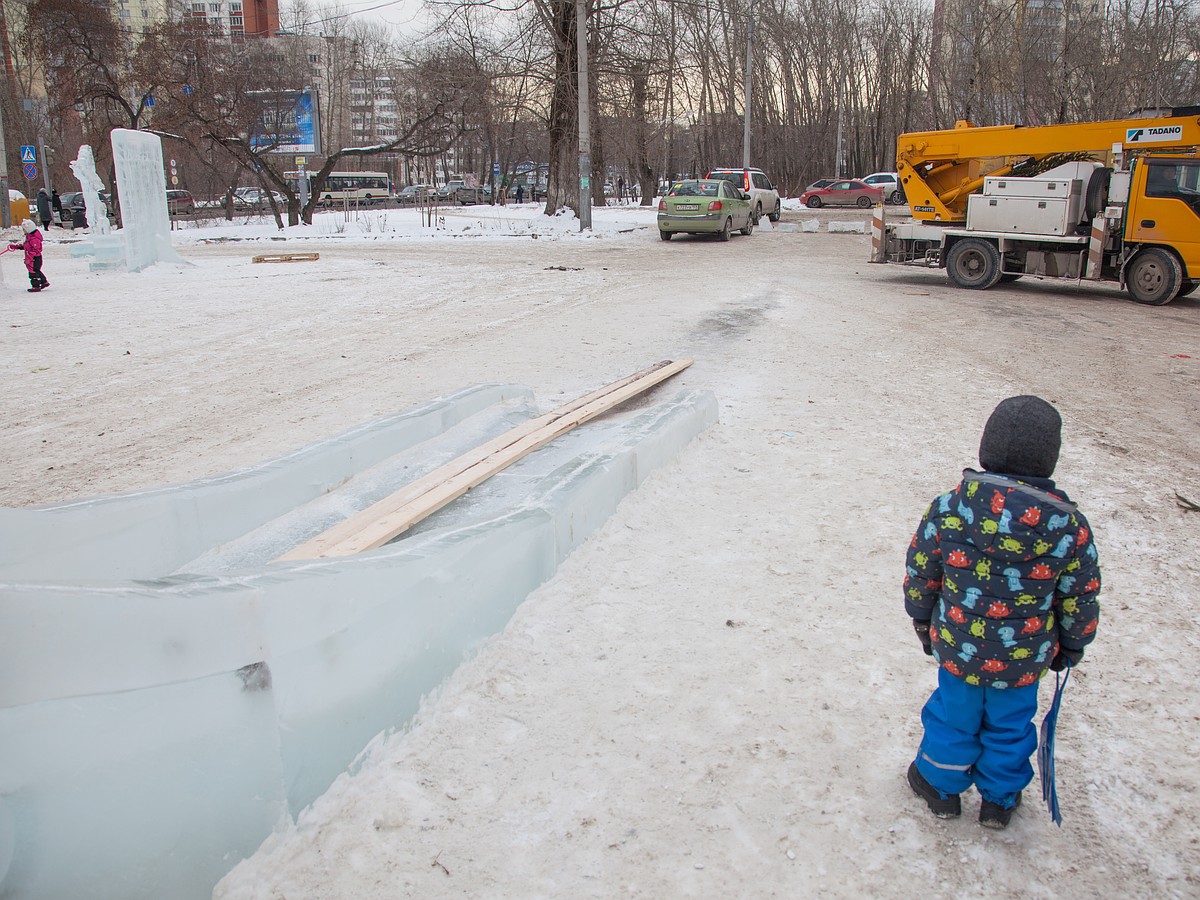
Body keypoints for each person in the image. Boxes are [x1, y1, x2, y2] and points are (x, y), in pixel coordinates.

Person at [903, 396, 1101, 829]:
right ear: (1049, 457)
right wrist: (1072, 643)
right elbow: (1079, 595)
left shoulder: (950, 507)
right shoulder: (1069, 528)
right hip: (1023, 660)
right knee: (1010, 727)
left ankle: (939, 787)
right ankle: (999, 799)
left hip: (958, 647)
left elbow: (922, 568)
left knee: (953, 718)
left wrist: (921, 616)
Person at [10, 219, 49, 292]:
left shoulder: (34, 239)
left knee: (33, 272)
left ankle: (36, 286)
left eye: (24, 229)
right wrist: (16, 247)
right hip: (32, 258)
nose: (23, 231)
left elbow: (35, 250)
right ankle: (44, 282)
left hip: (34, 258)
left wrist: (29, 258)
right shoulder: (29, 237)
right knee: (36, 270)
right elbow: (27, 246)